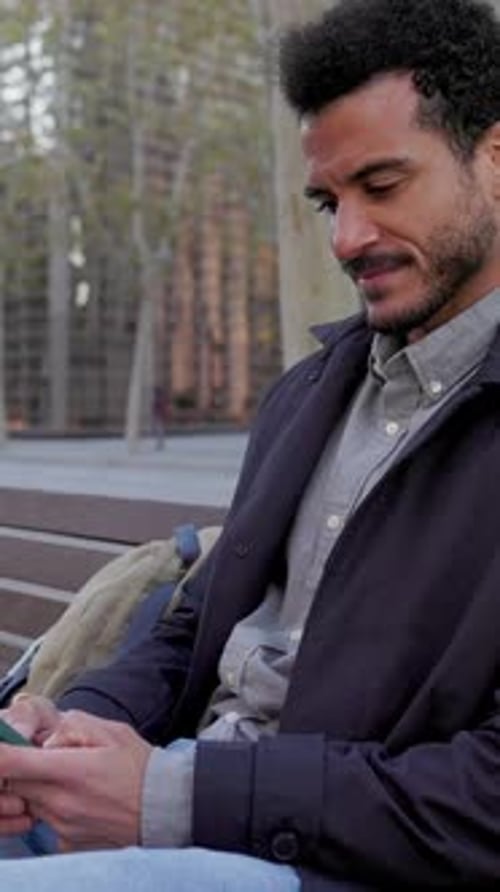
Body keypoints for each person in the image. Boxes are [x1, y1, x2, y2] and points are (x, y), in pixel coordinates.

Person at [0, 0, 500, 888]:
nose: (347, 238)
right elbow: (202, 617)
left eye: (383, 188)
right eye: (328, 201)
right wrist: (77, 730)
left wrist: (175, 797)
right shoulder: (313, 392)